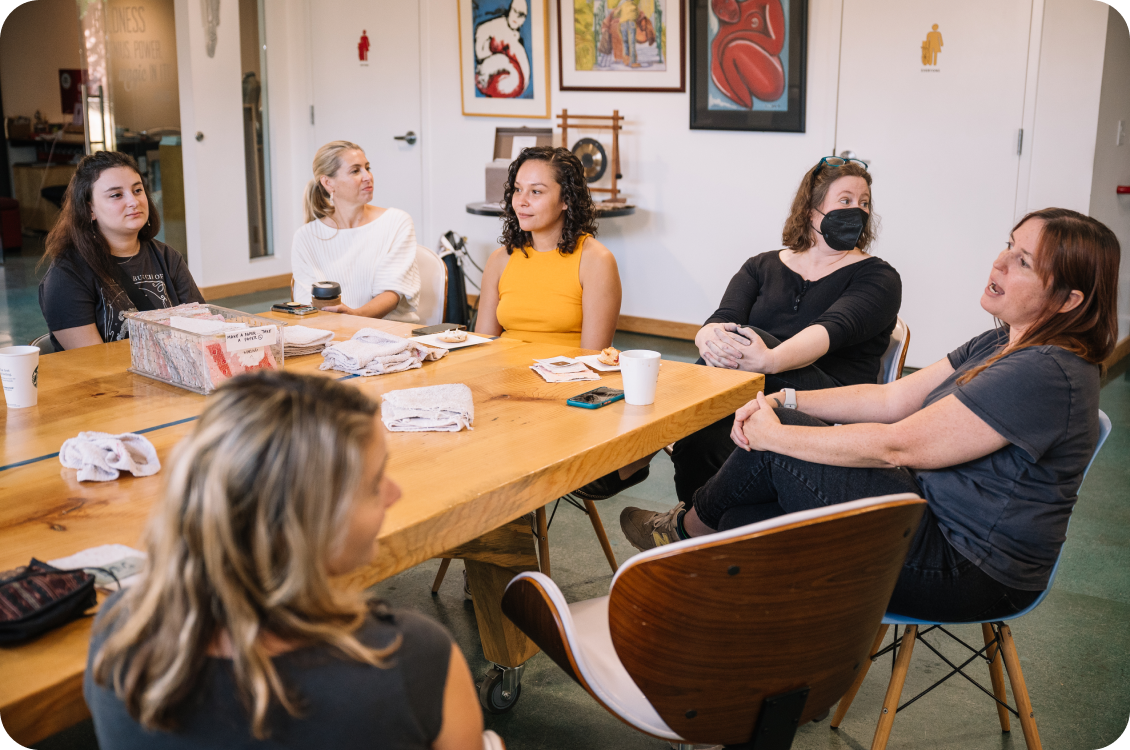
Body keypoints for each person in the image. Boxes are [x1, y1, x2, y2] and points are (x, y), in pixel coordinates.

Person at [621, 208, 1119, 623]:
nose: (1001, 262)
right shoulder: (1001, 340)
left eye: (1023, 261)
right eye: (1008, 245)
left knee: (773, 460)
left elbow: (897, 443)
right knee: (742, 519)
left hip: (969, 568)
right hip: (925, 512)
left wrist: (776, 436)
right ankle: (754, 679)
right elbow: (892, 399)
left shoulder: (1047, 370)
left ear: (1069, 300)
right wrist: (785, 400)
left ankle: (686, 533)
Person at [85, 371, 488, 749]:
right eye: (373, 484)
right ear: (306, 520)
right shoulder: (412, 660)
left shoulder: (118, 636)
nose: (393, 493)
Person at [580, 156, 901, 503]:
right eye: (846, 200)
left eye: (864, 203)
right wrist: (706, 338)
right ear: (811, 210)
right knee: (703, 432)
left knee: (748, 342)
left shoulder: (878, 277)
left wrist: (769, 360)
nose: (858, 210)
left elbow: (831, 330)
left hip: (829, 401)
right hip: (752, 391)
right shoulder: (762, 265)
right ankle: (691, 522)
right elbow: (722, 318)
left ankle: (637, 452)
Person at [38, 151, 204, 350]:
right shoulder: (67, 274)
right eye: (116, 195)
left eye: (137, 190)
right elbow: (93, 362)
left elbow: (203, 331)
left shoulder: (168, 258)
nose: (134, 202)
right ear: (89, 209)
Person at [475, 145, 621, 350]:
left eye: (536, 191)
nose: (521, 201)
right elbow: (482, 347)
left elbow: (592, 358)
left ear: (566, 199)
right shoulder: (500, 259)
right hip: (504, 375)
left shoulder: (597, 261)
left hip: (568, 377)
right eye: (518, 189)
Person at [292, 140, 421, 323]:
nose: (367, 176)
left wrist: (354, 317)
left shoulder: (397, 222)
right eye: (355, 171)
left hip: (390, 335)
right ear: (328, 183)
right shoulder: (306, 237)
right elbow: (307, 303)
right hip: (332, 335)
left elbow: (392, 293)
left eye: (367, 168)